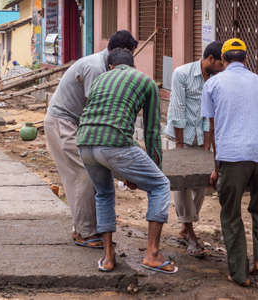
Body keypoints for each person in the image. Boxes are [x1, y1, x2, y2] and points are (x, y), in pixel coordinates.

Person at [77, 48, 177, 274]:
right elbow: (151, 133)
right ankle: (152, 253)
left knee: (103, 193)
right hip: (114, 143)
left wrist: (129, 173)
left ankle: (107, 256)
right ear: (133, 65)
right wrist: (153, 169)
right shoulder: (146, 81)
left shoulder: (99, 79)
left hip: (84, 142)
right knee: (160, 185)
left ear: (110, 66)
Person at [44, 30, 138, 249]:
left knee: (90, 172)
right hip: (63, 122)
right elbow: (96, 109)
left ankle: (89, 228)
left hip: (74, 123)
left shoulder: (107, 67)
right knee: (84, 173)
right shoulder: (96, 68)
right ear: (118, 53)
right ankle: (84, 232)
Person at [201, 38, 258, 286]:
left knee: (231, 213)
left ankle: (240, 274)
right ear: (246, 59)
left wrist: (216, 169)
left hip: (233, 156)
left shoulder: (213, 83)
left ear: (223, 60)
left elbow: (213, 130)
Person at [165, 41, 224, 257]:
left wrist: (208, 147)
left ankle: (185, 226)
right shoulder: (182, 74)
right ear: (210, 60)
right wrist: (180, 147)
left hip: (203, 139)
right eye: (220, 64)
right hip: (183, 137)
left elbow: (212, 115)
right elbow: (178, 110)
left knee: (200, 184)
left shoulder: (217, 79)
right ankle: (190, 232)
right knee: (181, 186)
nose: (222, 68)